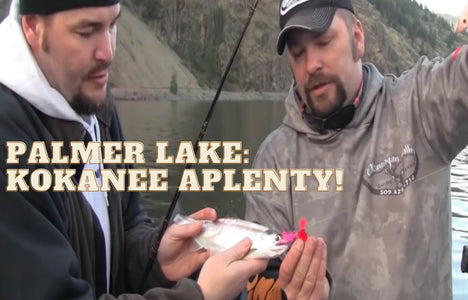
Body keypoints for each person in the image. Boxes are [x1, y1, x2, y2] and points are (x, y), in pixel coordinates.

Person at [245, 0, 468, 299]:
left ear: (357, 38)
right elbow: (259, 280)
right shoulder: (274, 159)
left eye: (323, 42)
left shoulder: (419, 106)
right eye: (298, 52)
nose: (311, 64)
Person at [0, 0, 269, 299]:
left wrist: (155, 257)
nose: (107, 53)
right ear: (33, 27)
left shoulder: (93, 101)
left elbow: (128, 224)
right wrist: (199, 296)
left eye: (113, 25)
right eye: (87, 31)